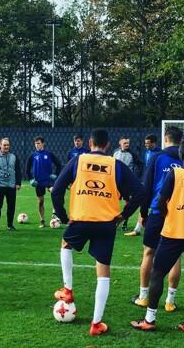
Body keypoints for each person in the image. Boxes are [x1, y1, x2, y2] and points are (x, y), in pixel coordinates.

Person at [51, 129, 145, 336]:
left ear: (90, 143)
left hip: (81, 219)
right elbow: (140, 192)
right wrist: (123, 215)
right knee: (102, 270)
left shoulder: (78, 161)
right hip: (106, 224)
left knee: (66, 245)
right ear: (108, 145)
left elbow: (56, 189)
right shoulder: (115, 165)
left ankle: (68, 289)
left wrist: (64, 216)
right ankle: (96, 323)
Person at [130, 139, 184, 333]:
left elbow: (161, 200)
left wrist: (170, 215)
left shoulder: (176, 173)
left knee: (158, 273)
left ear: (181, 155)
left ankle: (149, 319)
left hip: (174, 231)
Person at [129, 126, 183, 312]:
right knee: (175, 257)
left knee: (149, 253)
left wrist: (143, 213)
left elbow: (148, 187)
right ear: (181, 141)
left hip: (158, 212)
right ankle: (170, 301)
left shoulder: (157, 157)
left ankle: (143, 297)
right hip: (180, 214)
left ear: (166, 139)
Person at [127, 134, 162, 236]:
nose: (146, 145)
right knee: (144, 204)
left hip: (155, 185)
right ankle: (137, 229)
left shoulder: (160, 154)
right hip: (147, 182)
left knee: (154, 206)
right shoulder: (147, 152)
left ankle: (153, 228)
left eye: (148, 143)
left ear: (154, 143)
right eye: (145, 143)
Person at [26, 136, 62, 228]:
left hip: (49, 180)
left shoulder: (49, 154)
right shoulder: (32, 155)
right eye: (35, 143)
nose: (37, 145)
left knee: (54, 192)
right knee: (40, 202)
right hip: (38, 182)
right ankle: (42, 220)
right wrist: (31, 179)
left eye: (38, 143)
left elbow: (58, 164)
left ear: (43, 143)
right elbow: (27, 169)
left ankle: (55, 214)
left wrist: (56, 175)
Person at [0, 138, 22, 232]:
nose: (6, 147)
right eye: (4, 145)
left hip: (11, 185)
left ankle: (10, 225)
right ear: (0, 145)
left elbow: (18, 170)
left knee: (11, 206)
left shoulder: (14, 156)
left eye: (7, 145)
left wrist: (18, 183)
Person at [113, 136, 144, 232]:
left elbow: (140, 164)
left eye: (128, 143)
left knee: (127, 201)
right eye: (125, 143)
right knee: (113, 200)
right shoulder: (115, 152)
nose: (127, 145)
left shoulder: (132, 153)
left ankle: (124, 222)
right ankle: (112, 220)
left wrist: (136, 175)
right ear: (120, 142)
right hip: (115, 181)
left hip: (127, 182)